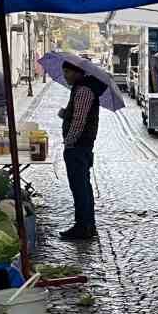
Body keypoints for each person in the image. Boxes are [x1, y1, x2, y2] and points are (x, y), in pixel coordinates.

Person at [58, 61, 105, 240]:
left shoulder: (84, 90)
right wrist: (65, 113)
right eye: (64, 72)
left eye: (68, 72)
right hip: (82, 145)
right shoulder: (81, 88)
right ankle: (87, 225)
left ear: (78, 73)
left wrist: (69, 142)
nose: (65, 76)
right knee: (83, 186)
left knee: (80, 188)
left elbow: (79, 121)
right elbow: (78, 114)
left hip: (78, 146)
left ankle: (83, 227)